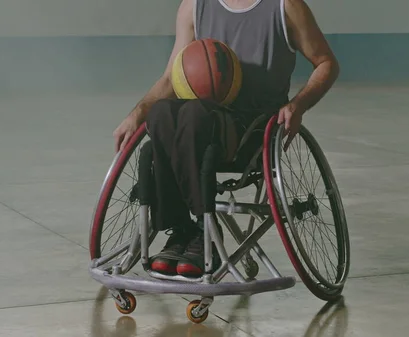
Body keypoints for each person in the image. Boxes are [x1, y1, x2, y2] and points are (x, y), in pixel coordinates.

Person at [113, 0, 339, 277]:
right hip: (197, 122)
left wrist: (298, 105)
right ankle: (182, 228)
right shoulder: (194, 6)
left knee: (194, 113)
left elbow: (326, 63)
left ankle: (204, 228)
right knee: (160, 113)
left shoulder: (286, 6)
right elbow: (172, 79)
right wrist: (136, 114)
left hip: (254, 129)